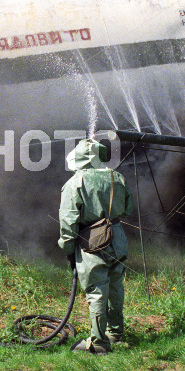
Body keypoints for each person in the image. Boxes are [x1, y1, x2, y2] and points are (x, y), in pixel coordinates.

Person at [58, 138, 134, 354]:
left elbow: (68, 222)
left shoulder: (75, 182)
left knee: (97, 289)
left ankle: (99, 343)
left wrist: (68, 248)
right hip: (117, 236)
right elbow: (128, 208)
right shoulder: (117, 177)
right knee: (116, 286)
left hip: (93, 240)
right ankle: (116, 334)